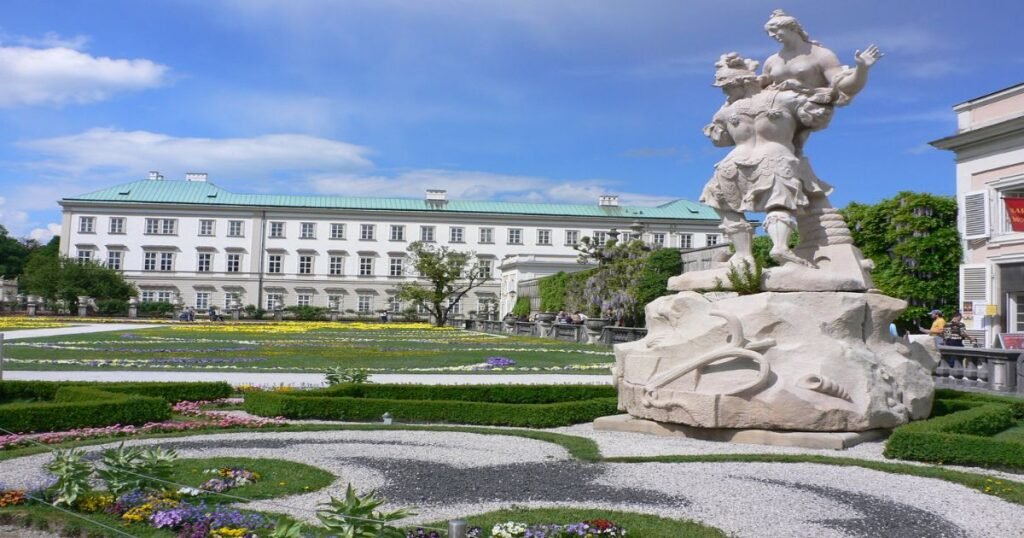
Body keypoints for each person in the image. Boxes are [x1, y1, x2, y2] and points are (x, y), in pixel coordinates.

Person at [700, 52, 833, 268]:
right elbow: (816, 116)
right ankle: (779, 246)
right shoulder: (783, 98)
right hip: (775, 158)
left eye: (727, 86)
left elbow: (720, 140)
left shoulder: (726, 111)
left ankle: (744, 255)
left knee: (723, 204)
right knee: (779, 204)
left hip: (734, 162)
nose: (724, 91)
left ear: (742, 83)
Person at [761, 10, 883, 153]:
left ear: (792, 28)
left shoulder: (821, 54)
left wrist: (861, 69)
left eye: (775, 31)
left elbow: (844, 86)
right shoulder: (771, 61)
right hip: (770, 112)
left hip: (805, 112)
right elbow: (760, 87)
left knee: (782, 150)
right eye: (769, 32)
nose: (772, 36)